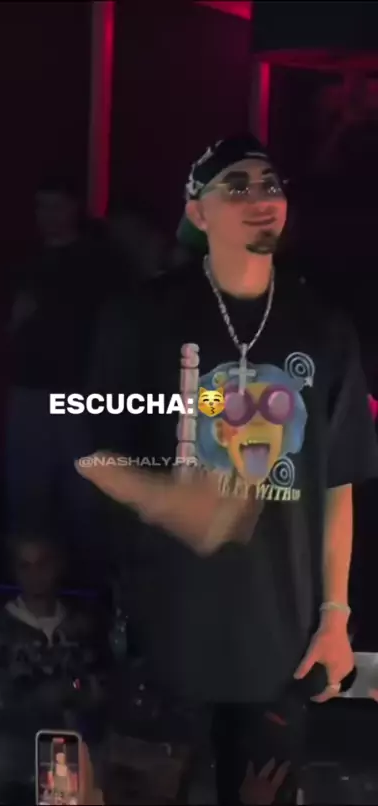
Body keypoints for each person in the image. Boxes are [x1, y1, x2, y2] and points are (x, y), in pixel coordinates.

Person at [77, 135, 378, 803]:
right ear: (198, 211)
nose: (260, 198)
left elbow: (339, 482)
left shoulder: (324, 328)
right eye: (235, 187)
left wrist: (335, 617)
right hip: (167, 645)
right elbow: (96, 456)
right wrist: (167, 500)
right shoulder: (142, 317)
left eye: (270, 184)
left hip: (279, 652)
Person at [6, 176, 119, 538]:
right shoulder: (26, 260)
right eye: (41, 207)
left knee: (82, 492)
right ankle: (31, 564)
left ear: (73, 208)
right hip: (30, 387)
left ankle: (88, 566)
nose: (47, 215)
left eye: (55, 206)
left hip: (78, 390)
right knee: (28, 490)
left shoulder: (98, 261)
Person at [0, 532, 103, 720]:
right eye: (25, 566)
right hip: (17, 735)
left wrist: (74, 689)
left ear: (58, 565)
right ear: (14, 571)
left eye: (42, 564)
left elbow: (96, 688)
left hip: (74, 736)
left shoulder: (81, 627)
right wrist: (36, 698)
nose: (34, 575)